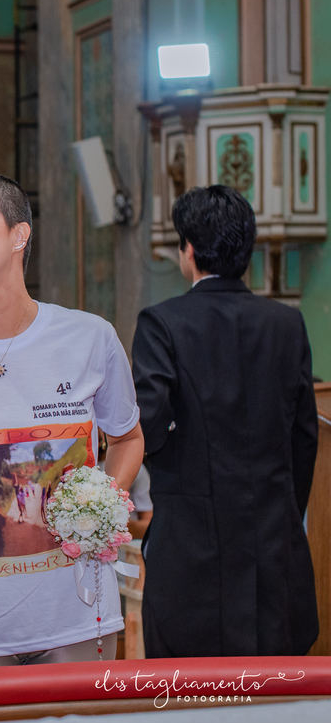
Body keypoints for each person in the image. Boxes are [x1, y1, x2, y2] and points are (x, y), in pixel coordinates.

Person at [0, 172, 144, 668]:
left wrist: (104, 506)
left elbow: (127, 438)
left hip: (76, 607)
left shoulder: (89, 338)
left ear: (20, 234)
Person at [132, 184, 319, 657]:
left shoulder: (162, 322)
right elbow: (304, 434)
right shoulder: (286, 322)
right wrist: (280, 506)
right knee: (276, 695)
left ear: (189, 250)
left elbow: (148, 426)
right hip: (274, 548)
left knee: (191, 695)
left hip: (192, 549)